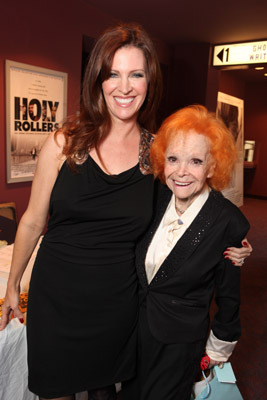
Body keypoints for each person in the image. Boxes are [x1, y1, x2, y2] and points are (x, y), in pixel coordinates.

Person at [0, 24, 251, 400]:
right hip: (56, 299)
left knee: (107, 393)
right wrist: (11, 285)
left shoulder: (156, 154)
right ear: (98, 80)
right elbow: (34, 220)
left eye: (137, 74)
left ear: (149, 82)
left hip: (118, 304)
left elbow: (194, 204)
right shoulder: (62, 143)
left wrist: (233, 242)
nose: (125, 86)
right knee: (54, 392)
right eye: (113, 74)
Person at [122, 105, 250, 400]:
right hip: (135, 331)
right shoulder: (153, 196)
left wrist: (219, 348)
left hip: (180, 343)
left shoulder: (228, 221)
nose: (181, 171)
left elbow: (230, 296)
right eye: (173, 159)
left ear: (212, 166)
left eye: (195, 161)